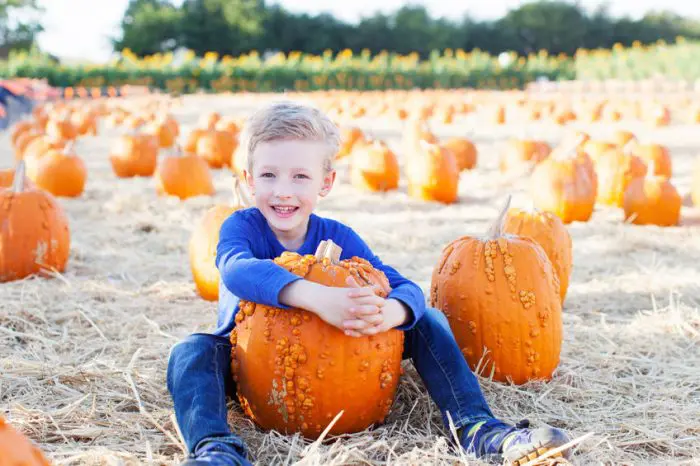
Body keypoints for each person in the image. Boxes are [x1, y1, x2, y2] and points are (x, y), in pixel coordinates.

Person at [166, 101, 573, 465]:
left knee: (427, 320)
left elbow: (403, 286)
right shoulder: (242, 226)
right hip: (251, 367)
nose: (283, 191)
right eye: (269, 175)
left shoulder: (339, 237)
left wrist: (392, 311)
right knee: (191, 351)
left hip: (341, 361)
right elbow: (235, 270)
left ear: (325, 183)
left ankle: (477, 428)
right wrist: (315, 296)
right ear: (250, 180)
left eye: (300, 177)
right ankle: (215, 448)